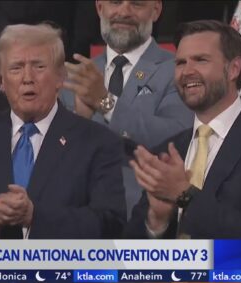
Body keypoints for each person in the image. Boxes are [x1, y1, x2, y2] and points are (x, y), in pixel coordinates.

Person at [0, 23, 126, 283]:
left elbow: (110, 223)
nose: (27, 78)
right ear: (1, 80)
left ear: (60, 76)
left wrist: (36, 217)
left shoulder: (96, 141)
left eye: (38, 66)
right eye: (15, 68)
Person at [125, 19, 241, 283]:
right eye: (180, 62)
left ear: (234, 68)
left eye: (201, 60)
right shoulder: (169, 150)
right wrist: (157, 222)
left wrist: (185, 196)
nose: (187, 72)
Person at [60, 0, 193, 219]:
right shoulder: (76, 76)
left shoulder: (178, 70)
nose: (124, 12)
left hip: (141, 215)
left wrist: (105, 103)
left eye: (137, 4)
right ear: (100, 7)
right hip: (80, 217)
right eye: (115, 2)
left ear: (156, 10)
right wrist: (79, 121)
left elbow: (177, 139)